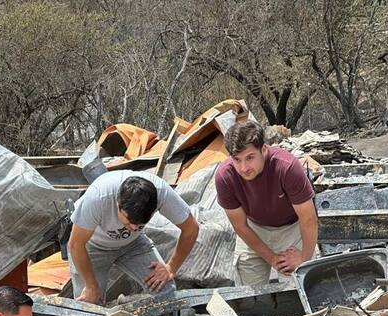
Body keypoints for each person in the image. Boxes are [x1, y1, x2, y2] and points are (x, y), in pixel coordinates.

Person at [68, 171, 199, 304]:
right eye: (129, 221)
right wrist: (91, 286)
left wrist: (171, 267)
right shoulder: (98, 198)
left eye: (140, 224)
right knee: (88, 304)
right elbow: (76, 245)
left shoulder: (162, 193)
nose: (133, 227)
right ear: (118, 204)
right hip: (92, 247)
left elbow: (191, 228)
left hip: (134, 244)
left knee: (165, 290)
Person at [215, 120, 318, 287]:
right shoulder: (224, 177)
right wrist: (272, 258)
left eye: (250, 158)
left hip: (292, 228)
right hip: (253, 228)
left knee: (298, 285)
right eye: (237, 160)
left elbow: (309, 219)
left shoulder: (287, 167)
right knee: (248, 291)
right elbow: (240, 226)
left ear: (263, 149)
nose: (244, 167)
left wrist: (304, 258)